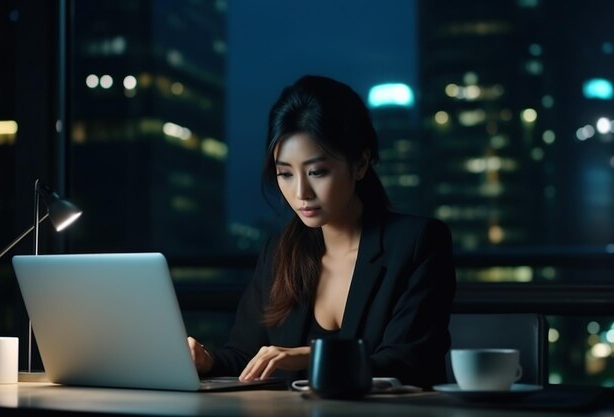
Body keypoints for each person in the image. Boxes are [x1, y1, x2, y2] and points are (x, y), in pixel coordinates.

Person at [188, 75, 456, 389]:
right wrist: (208, 360)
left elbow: (409, 362)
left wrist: (310, 355)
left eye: (317, 172)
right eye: (285, 174)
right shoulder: (279, 251)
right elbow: (247, 356)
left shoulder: (418, 243)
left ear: (360, 163)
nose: (301, 192)